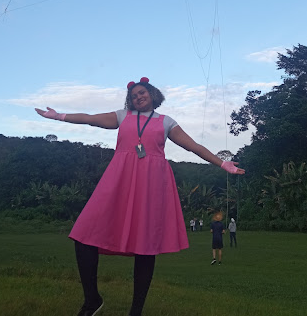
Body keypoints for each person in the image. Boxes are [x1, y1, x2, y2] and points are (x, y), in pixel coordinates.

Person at [35, 77, 244, 316]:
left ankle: (136, 311)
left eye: (142, 92)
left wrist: (222, 164)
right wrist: (60, 116)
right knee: (84, 235)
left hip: (151, 186)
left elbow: (193, 146)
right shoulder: (123, 116)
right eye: (134, 95)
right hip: (118, 181)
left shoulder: (166, 122)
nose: (138, 97)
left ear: (153, 94)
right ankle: (92, 300)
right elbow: (90, 118)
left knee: (145, 246)